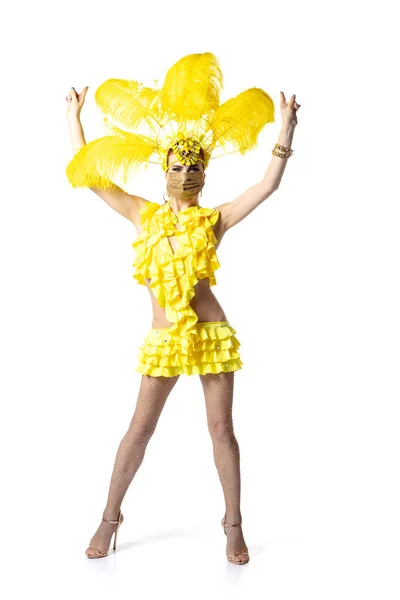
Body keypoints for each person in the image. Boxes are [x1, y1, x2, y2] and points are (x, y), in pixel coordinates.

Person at [65, 52, 300, 565]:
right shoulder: (142, 215)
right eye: (178, 165)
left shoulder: (214, 220)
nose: (186, 172)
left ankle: (233, 524)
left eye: (195, 166)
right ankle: (110, 517)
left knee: (222, 431)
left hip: (211, 334)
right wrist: (73, 120)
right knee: (138, 429)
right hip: (165, 339)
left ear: (204, 171)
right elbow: (92, 178)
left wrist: (286, 129)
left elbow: (266, 186)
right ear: (165, 169)